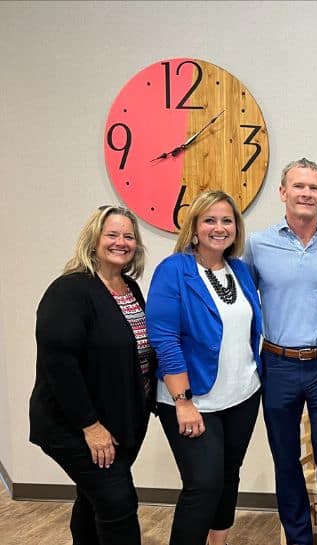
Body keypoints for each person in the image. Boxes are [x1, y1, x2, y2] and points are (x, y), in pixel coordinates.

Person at [29, 205, 156, 545]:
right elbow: (59, 364)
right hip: (76, 426)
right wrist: (91, 426)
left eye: (128, 236)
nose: (121, 242)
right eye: (111, 234)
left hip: (120, 423)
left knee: (93, 499)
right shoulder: (70, 290)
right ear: (94, 240)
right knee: (118, 502)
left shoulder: (129, 288)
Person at [243, 157, 317, 545]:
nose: (305, 193)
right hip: (278, 364)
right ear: (283, 192)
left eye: (313, 187)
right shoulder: (257, 244)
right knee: (286, 459)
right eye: (298, 186)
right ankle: (299, 539)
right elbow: (245, 303)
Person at [147, 191, 263, 545]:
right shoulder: (174, 270)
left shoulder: (238, 270)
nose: (219, 227)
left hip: (243, 395)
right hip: (194, 399)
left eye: (227, 220)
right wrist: (182, 401)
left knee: (228, 476)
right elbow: (164, 338)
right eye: (210, 220)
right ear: (194, 228)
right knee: (203, 485)